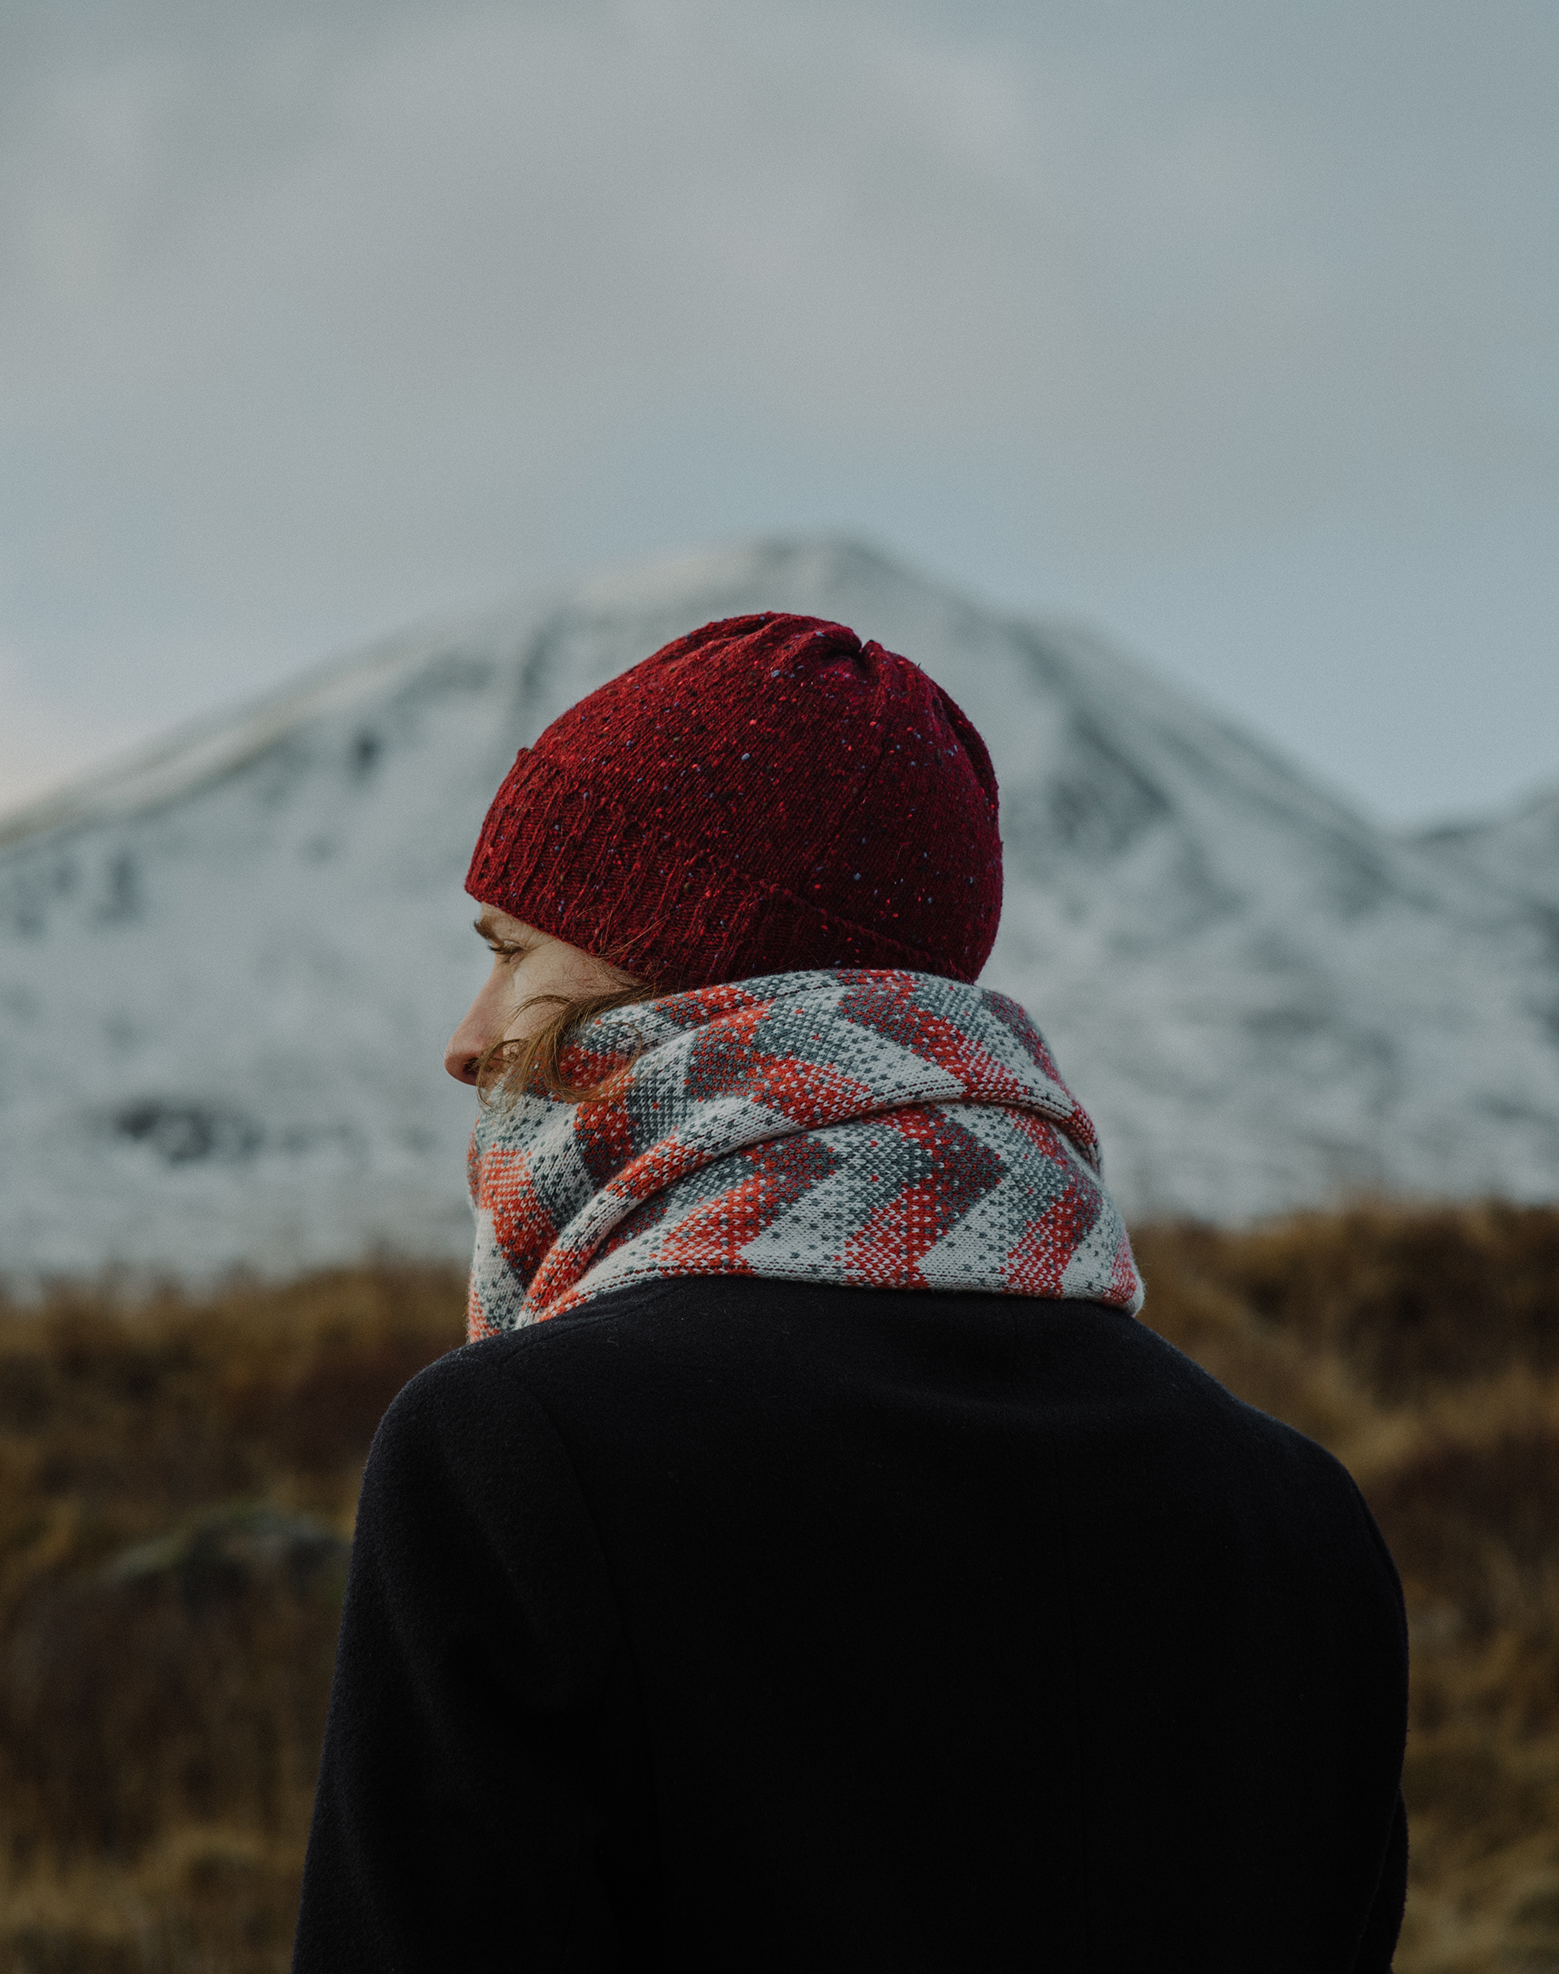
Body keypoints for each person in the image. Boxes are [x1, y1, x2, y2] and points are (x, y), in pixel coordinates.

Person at [293, 614, 1409, 1971]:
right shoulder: (1300, 1519)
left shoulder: (521, 1454)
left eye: (512, 950)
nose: (467, 1043)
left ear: (692, 957)